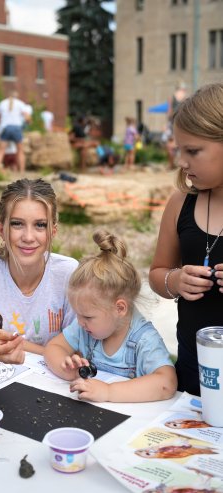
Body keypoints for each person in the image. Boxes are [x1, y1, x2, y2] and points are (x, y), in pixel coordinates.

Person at [0, 178, 78, 369]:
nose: (28, 237)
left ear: (53, 231)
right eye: (17, 224)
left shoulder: (69, 274)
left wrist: (11, 342)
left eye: (40, 225)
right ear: (2, 229)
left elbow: (76, 356)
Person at [149, 82, 223, 397]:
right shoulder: (181, 203)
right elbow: (156, 274)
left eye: (192, 151)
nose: (182, 161)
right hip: (194, 370)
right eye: (180, 149)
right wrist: (175, 281)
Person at [44, 229, 177, 403]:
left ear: (120, 308)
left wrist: (108, 392)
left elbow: (166, 383)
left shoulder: (144, 339)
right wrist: (66, 367)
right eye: (78, 315)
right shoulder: (85, 328)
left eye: (88, 317)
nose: (80, 322)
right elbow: (52, 347)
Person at [0, 91, 30, 172]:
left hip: (5, 128)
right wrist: (27, 123)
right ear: (16, 96)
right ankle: (21, 171)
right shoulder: (20, 103)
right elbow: (27, 117)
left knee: (1, 151)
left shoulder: (2, 103)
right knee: (20, 151)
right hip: (16, 128)